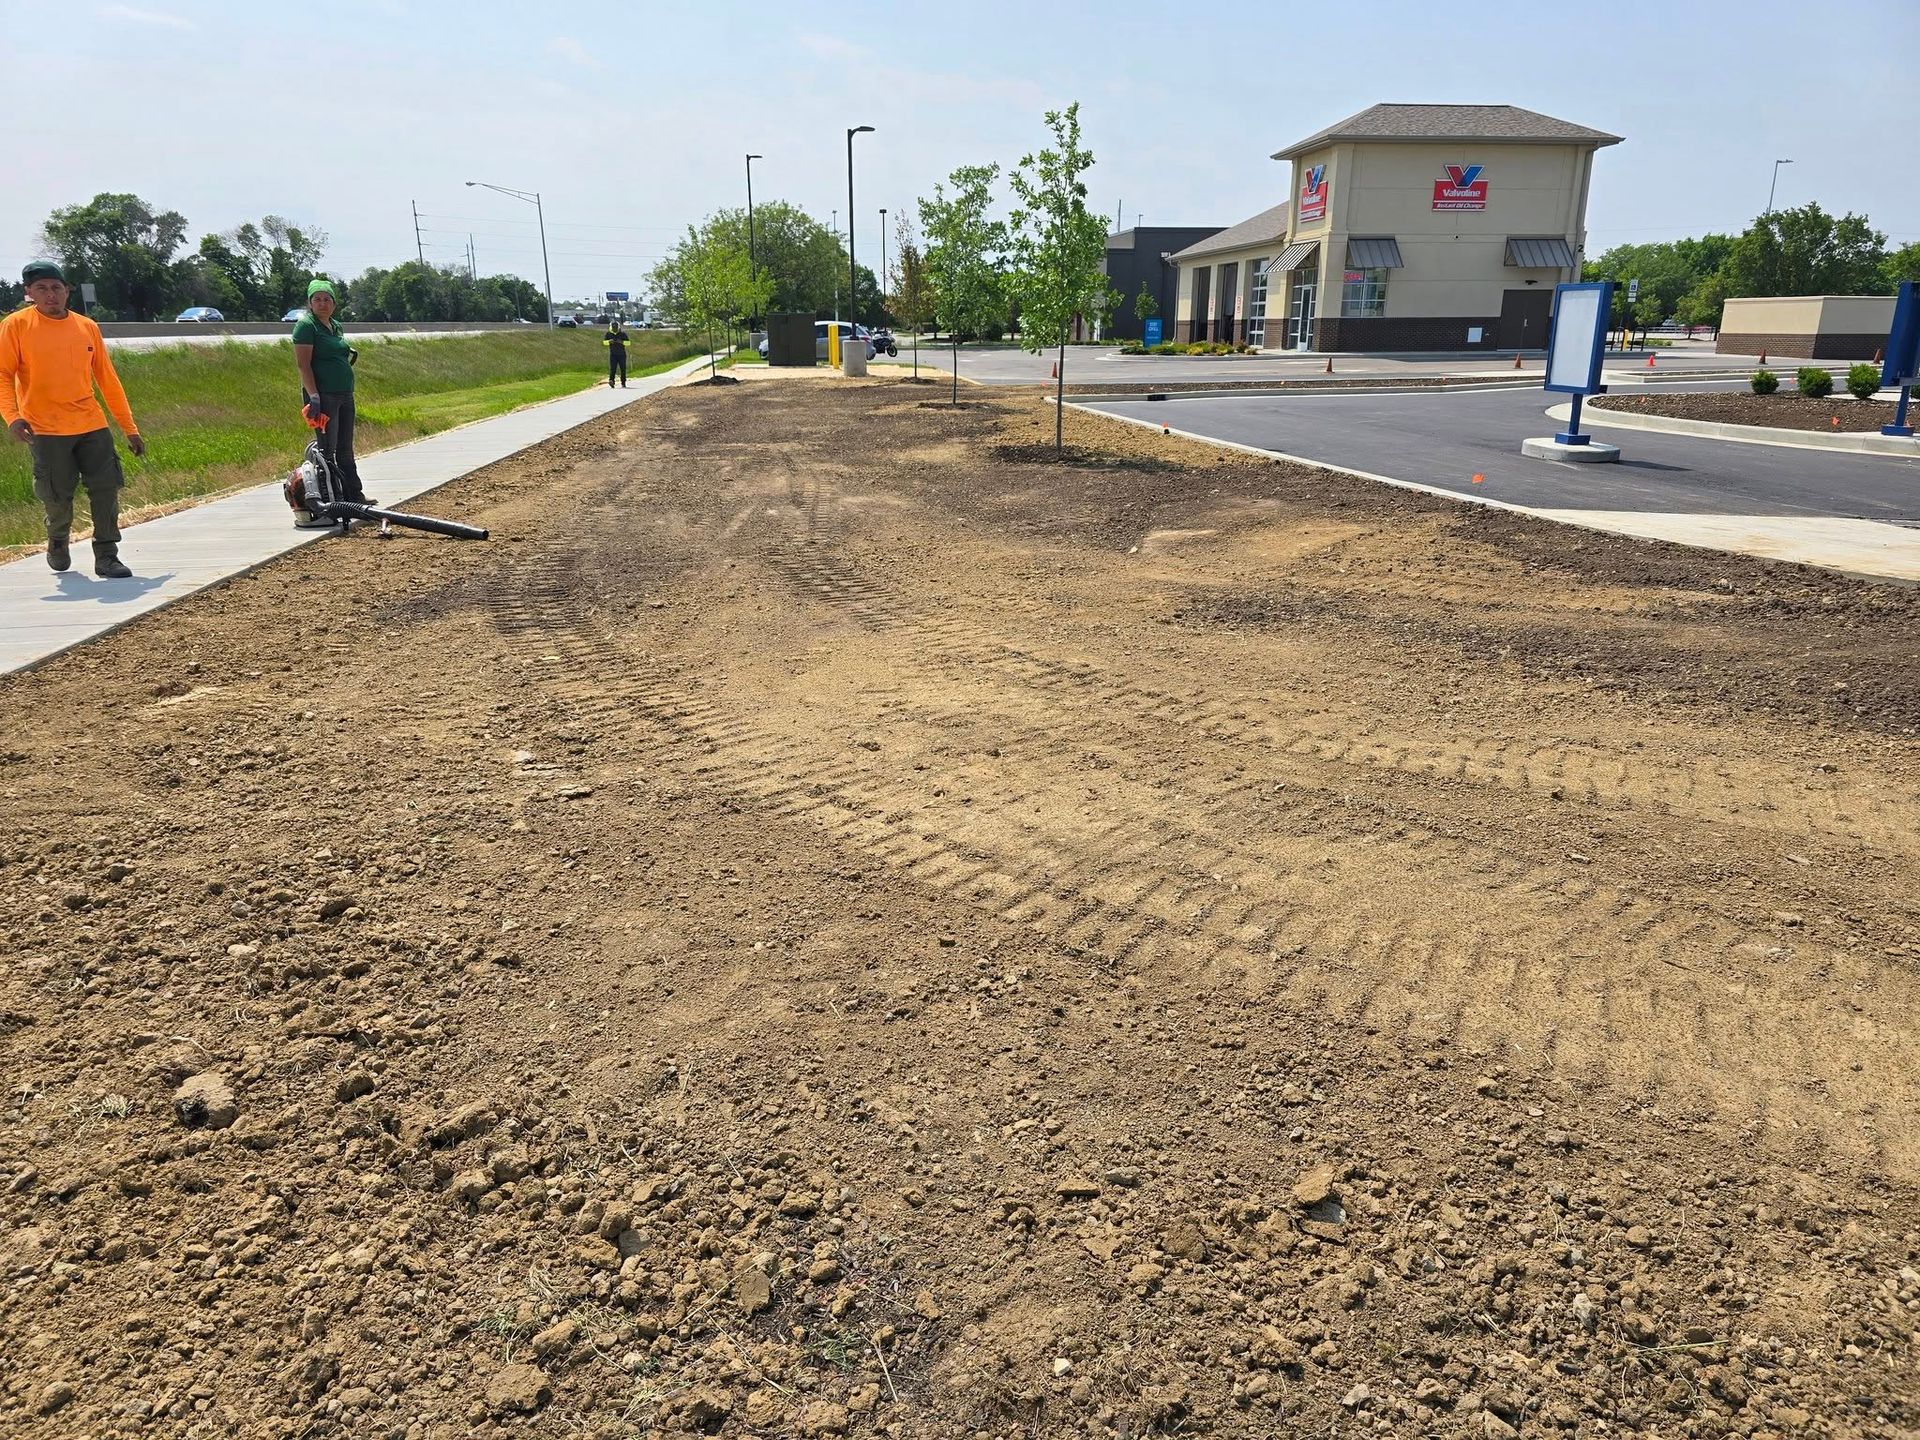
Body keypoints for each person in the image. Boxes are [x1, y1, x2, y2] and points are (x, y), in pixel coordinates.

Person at [0, 260, 145, 577]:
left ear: (67, 291)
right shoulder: (16, 326)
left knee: (105, 489)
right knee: (57, 495)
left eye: (56, 288)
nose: (50, 295)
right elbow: (3, 375)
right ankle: (57, 540)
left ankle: (107, 555)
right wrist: (12, 416)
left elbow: (108, 380)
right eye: (42, 289)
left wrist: (129, 429)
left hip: (91, 425)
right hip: (46, 428)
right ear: (29, 293)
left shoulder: (86, 327)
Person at [291, 278, 373, 504]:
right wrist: (313, 395)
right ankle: (332, 497)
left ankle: (354, 494)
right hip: (324, 396)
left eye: (327, 299)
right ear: (310, 303)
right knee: (328, 449)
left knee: (346, 448)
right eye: (317, 299)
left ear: (334, 304)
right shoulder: (306, 326)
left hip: (345, 392)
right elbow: (303, 365)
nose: (322, 303)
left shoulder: (335, 325)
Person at [603, 316, 629, 388]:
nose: (615, 330)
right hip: (613, 354)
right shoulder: (608, 334)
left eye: (616, 328)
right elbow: (604, 342)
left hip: (622, 354)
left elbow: (628, 343)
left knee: (623, 369)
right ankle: (611, 381)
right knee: (613, 368)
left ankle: (623, 382)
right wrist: (609, 341)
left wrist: (621, 342)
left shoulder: (622, 334)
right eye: (614, 328)